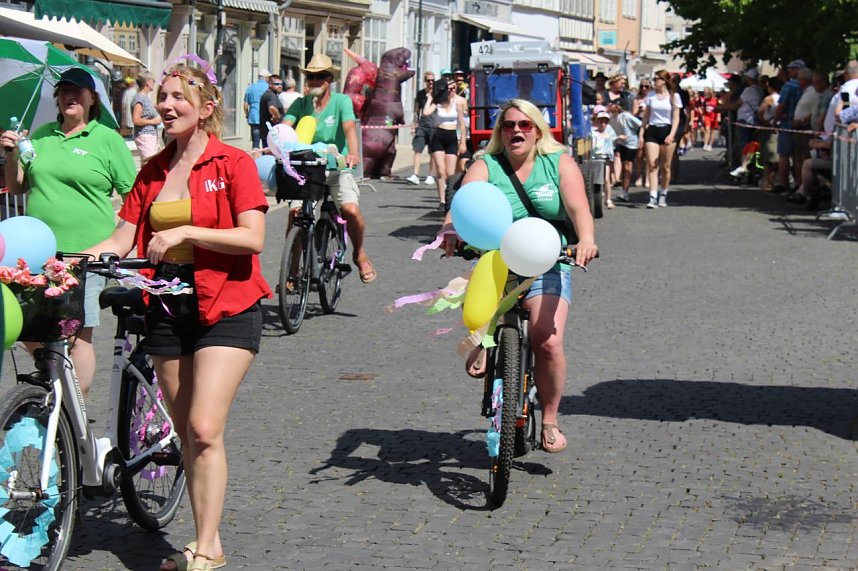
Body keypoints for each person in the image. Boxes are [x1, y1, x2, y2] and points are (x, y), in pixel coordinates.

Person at [85, 61, 271, 571]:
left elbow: (252, 237)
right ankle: (206, 540)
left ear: (206, 107)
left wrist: (187, 233)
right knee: (187, 433)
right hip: (166, 307)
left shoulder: (233, 163)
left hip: (227, 302)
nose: (164, 106)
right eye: (162, 97)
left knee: (205, 427)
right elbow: (124, 237)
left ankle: (206, 548)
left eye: (177, 97)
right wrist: (71, 260)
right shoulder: (153, 170)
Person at [440, 99, 598, 453]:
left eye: (525, 125)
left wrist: (586, 240)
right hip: (496, 258)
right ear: (500, 131)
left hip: (547, 259)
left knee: (548, 341)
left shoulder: (558, 162)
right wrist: (449, 229)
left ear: (538, 131)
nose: (516, 131)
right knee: (483, 302)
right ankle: (484, 339)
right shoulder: (486, 164)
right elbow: (464, 202)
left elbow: (579, 209)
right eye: (509, 125)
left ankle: (550, 419)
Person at [1, 67, 136, 399]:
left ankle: (74, 410)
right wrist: (11, 153)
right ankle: (54, 378)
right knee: (28, 325)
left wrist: (122, 238)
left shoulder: (107, 139)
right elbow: (17, 186)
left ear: (92, 99)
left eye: (77, 91)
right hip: (36, 254)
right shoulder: (40, 135)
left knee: (76, 336)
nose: (69, 96)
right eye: (63, 91)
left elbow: (134, 195)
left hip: (85, 255)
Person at [283, 53, 377, 284]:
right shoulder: (301, 104)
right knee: (296, 215)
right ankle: (292, 268)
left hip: (337, 166)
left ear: (330, 80)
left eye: (321, 76)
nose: (315, 81)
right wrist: (273, 145)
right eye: (311, 76)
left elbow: (349, 128)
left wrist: (353, 153)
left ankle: (359, 254)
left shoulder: (341, 102)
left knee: (351, 210)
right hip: (307, 168)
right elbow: (285, 128)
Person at [423, 77, 466, 209]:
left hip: (452, 137)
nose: (451, 91)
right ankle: (442, 200)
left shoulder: (457, 104)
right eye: (449, 89)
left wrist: (462, 142)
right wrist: (430, 98)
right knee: (441, 171)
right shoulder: (438, 104)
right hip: (439, 136)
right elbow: (425, 113)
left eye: (453, 89)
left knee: (450, 173)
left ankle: (450, 198)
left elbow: (462, 125)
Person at [642, 70, 682, 208]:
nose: (654, 82)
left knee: (666, 167)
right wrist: (642, 132)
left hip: (667, 129)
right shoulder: (651, 96)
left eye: (657, 79)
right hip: (653, 130)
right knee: (652, 165)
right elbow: (646, 116)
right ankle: (653, 196)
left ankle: (663, 193)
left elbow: (676, 117)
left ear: (664, 81)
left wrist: (671, 134)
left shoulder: (674, 96)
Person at [407, 71, 437, 186]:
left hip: (434, 126)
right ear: (425, 81)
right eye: (429, 80)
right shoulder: (420, 94)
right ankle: (415, 174)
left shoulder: (437, 94)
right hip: (422, 126)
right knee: (417, 150)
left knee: (433, 152)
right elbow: (416, 111)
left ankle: (431, 175)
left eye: (433, 80)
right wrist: (414, 125)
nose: (431, 83)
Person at [609, 101, 642, 203]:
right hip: (620, 143)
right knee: (623, 167)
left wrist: (641, 137)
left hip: (631, 143)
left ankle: (625, 192)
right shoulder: (611, 118)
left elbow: (640, 124)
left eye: (614, 105)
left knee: (627, 166)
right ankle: (623, 191)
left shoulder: (626, 116)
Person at [756, 77, 782, 191]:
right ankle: (775, 180)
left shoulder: (769, 98)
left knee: (769, 157)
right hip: (781, 128)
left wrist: (763, 121)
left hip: (769, 129)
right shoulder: (783, 97)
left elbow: (760, 111)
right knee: (779, 156)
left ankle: (768, 182)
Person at [132, 70, 162, 163]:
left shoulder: (145, 98)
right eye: (153, 81)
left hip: (150, 135)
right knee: (149, 163)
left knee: (151, 163)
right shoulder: (140, 98)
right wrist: (153, 121)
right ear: (147, 82)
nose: (154, 83)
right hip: (145, 135)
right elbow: (136, 119)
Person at [590, 110, 616, 208]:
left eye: (605, 122)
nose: (603, 124)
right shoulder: (592, 133)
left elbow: (610, 148)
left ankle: (608, 199)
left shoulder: (608, 135)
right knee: (593, 180)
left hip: (605, 159)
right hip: (594, 158)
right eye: (601, 121)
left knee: (606, 179)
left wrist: (611, 158)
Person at [243, 68, 270, 149]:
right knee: (266, 142)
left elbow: (245, 104)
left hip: (254, 117)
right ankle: (266, 156)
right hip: (266, 117)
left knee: (255, 141)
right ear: (266, 78)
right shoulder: (268, 88)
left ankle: (255, 156)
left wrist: (247, 114)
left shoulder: (251, 88)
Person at [259, 74, 284, 145]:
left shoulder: (269, 94)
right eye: (277, 84)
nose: (280, 86)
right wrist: (277, 117)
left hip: (267, 132)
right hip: (271, 133)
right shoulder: (271, 95)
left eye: (281, 84)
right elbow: (271, 107)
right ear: (270, 85)